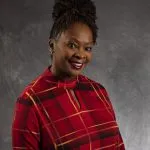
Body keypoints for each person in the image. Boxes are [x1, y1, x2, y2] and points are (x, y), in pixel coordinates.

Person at [12, 0, 125, 149]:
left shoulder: (99, 91)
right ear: (52, 46)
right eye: (72, 45)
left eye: (88, 48)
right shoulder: (30, 102)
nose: (81, 54)